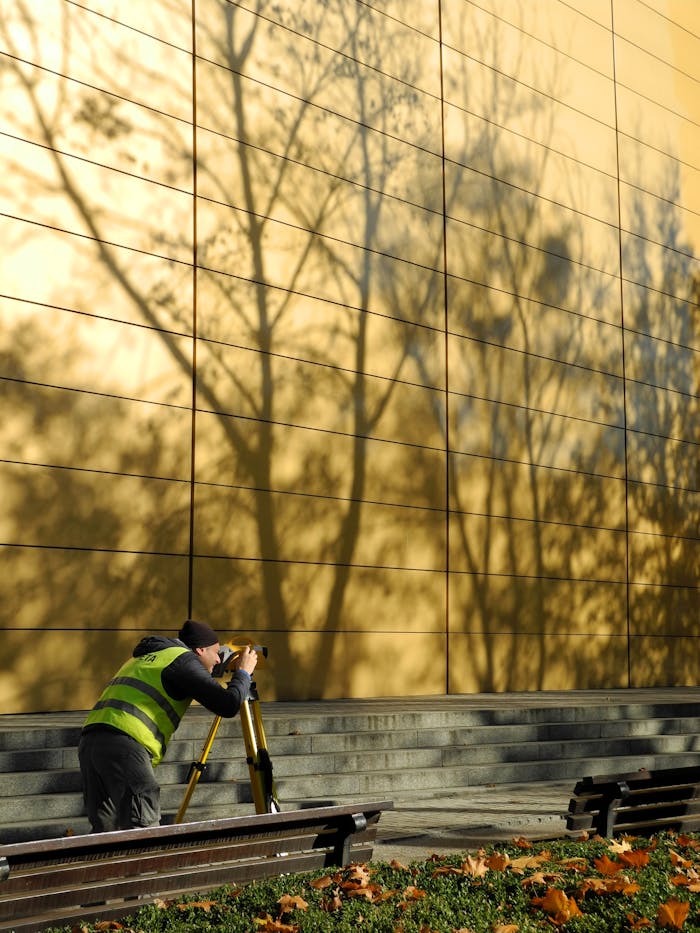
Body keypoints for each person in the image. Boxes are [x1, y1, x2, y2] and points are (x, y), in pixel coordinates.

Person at [78, 619, 257, 833]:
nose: (219, 660)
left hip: (91, 741)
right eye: (216, 652)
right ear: (199, 650)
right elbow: (227, 705)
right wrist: (243, 673)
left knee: (105, 830)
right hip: (125, 744)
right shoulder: (183, 661)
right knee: (142, 825)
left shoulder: (149, 656)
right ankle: (146, 865)